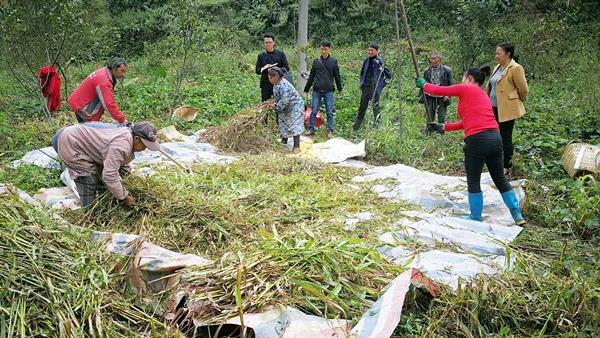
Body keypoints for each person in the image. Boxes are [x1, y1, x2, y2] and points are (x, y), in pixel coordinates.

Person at [415, 67, 526, 225]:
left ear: (469, 78)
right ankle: (517, 215)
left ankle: (475, 216)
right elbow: (467, 122)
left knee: (473, 181)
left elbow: (439, 90)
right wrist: (444, 127)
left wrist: (424, 84)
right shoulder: (483, 95)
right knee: (500, 179)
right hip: (495, 139)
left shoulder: (466, 88)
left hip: (477, 140)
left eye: (463, 77)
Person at [51, 122, 161, 208]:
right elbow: (109, 175)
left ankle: (104, 194)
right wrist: (124, 197)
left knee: (104, 177)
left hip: (78, 138)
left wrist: (130, 180)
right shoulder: (121, 145)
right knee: (88, 178)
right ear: (136, 139)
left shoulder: (129, 136)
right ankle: (89, 213)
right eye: (144, 145)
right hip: (70, 142)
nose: (145, 148)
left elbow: (120, 162)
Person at [487, 43, 528, 175]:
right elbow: (492, 85)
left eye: (499, 53)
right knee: (494, 136)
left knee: (505, 137)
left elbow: (523, 89)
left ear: (507, 54)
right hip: (492, 107)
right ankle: (495, 161)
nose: (496, 56)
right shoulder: (497, 67)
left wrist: (516, 100)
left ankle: (506, 166)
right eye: (496, 53)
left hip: (506, 109)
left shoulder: (515, 68)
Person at [67, 57, 129, 124]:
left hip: (79, 102)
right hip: (83, 106)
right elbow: (109, 104)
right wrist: (123, 120)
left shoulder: (104, 71)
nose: (123, 75)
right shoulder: (104, 81)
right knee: (88, 130)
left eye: (125, 72)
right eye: (122, 71)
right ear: (114, 68)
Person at [304, 39, 343, 138]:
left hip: (328, 90)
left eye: (325, 49)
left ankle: (330, 130)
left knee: (329, 111)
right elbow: (312, 76)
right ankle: (311, 129)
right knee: (314, 111)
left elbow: (337, 75)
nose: (323, 51)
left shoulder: (333, 61)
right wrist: (306, 88)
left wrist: (340, 88)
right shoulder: (316, 62)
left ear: (329, 49)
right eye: (322, 49)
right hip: (317, 90)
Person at [353, 43, 391, 130]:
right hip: (366, 87)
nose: (370, 52)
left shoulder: (379, 61)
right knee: (362, 106)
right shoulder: (366, 60)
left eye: (372, 50)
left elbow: (388, 74)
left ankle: (377, 125)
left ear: (376, 51)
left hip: (375, 87)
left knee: (375, 107)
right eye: (369, 50)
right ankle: (357, 126)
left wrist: (382, 84)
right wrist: (361, 83)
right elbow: (362, 72)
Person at [268, 67, 304, 153]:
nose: (270, 79)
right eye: (269, 77)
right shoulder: (276, 84)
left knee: (294, 124)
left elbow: (285, 99)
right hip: (285, 107)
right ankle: (284, 140)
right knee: (283, 122)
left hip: (295, 105)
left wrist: (276, 107)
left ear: (278, 76)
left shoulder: (283, 85)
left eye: (272, 77)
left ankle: (296, 146)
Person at [421, 52, 453, 134]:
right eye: (432, 59)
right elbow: (424, 83)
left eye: (435, 58)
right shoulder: (427, 71)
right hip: (430, 95)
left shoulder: (447, 70)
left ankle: (440, 133)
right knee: (430, 115)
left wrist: (448, 95)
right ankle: (429, 132)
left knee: (441, 116)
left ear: (439, 59)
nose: (433, 60)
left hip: (442, 96)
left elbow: (451, 84)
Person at [255, 33, 290, 102]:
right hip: (266, 84)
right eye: (266, 42)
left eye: (269, 42)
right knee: (266, 104)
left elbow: (286, 68)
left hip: (279, 83)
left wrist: (276, 70)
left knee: (280, 103)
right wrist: (263, 68)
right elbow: (257, 70)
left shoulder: (280, 54)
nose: (268, 44)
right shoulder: (261, 55)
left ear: (274, 42)